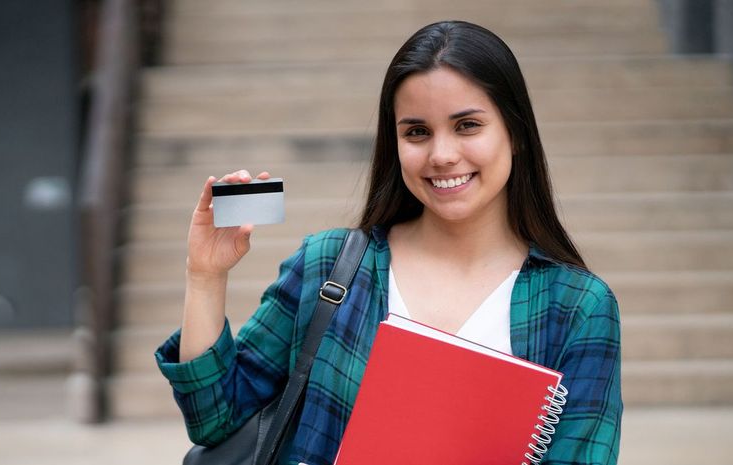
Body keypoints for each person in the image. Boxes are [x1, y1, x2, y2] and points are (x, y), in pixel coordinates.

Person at [156, 20, 622, 465]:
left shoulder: (578, 305)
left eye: (467, 125)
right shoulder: (328, 265)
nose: (442, 155)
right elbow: (215, 418)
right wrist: (205, 276)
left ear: (515, 133)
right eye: (417, 131)